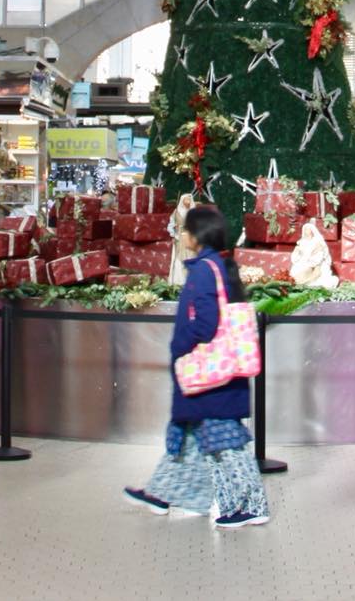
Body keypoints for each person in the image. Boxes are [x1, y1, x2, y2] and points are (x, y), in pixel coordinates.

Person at [122, 204, 271, 529]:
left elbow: (204, 323)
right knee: (191, 436)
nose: (181, 233)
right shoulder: (218, 266)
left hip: (209, 374)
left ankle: (251, 505)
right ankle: (163, 493)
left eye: (184, 228)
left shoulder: (205, 270)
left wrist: (180, 347)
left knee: (225, 442)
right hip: (217, 375)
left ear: (196, 234)